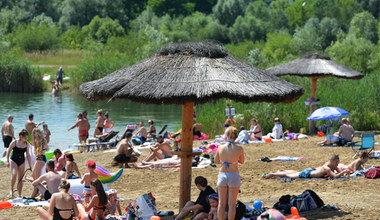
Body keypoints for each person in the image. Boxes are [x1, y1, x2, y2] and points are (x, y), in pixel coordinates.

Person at [214, 127, 245, 220]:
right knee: (232, 204)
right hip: (233, 174)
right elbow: (242, 161)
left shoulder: (220, 147)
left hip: (223, 174)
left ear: (227, 135)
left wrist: (224, 162)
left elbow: (216, 161)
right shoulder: (239, 148)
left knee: (221, 203)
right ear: (236, 136)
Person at [264, 154, 349, 179]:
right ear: (332, 161)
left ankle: (284, 170)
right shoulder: (327, 168)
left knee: (296, 172)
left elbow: (337, 171)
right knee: (290, 176)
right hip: (308, 174)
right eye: (336, 162)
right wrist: (344, 172)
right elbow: (335, 176)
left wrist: (344, 171)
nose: (337, 164)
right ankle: (273, 174)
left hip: (311, 170)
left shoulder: (331, 165)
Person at [6, 129, 32, 197]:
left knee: (20, 178)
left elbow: (28, 155)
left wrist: (30, 165)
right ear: (21, 136)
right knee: (14, 175)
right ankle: (11, 190)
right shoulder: (14, 142)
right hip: (13, 160)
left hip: (22, 161)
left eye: (27, 137)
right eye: (25, 137)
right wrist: (7, 161)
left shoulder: (26, 144)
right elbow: (8, 151)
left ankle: (19, 194)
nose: (26, 139)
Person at [31, 128, 49, 197]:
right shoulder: (42, 140)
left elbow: (45, 149)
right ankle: (38, 192)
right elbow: (47, 149)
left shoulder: (39, 141)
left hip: (40, 159)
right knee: (34, 176)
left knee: (37, 178)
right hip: (40, 159)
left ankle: (35, 194)